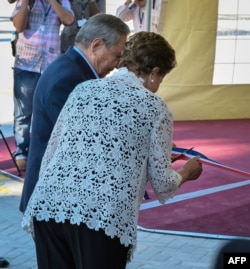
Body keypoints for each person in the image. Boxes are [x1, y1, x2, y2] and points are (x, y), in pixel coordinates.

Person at [22, 31, 203, 269]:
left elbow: (52, 153)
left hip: (49, 205)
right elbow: (163, 183)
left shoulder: (83, 90)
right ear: (154, 72)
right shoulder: (154, 107)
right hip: (100, 217)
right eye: (161, 78)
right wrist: (187, 171)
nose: (158, 85)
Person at [19, 13, 130, 213]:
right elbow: (84, 140)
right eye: (117, 55)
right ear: (96, 45)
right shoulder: (69, 77)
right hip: (53, 200)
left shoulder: (73, 69)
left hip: (61, 197)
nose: (118, 64)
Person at [10, 0, 75, 171]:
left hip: (51, 64)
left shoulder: (62, 1)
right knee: (23, 112)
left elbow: (69, 20)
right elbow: (18, 26)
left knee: (51, 110)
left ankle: (48, 150)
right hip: (26, 63)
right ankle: (22, 150)